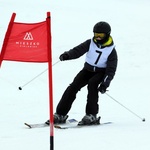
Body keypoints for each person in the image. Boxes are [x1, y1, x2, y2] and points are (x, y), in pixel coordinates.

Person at [46, 21, 118, 125]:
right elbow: (78, 51)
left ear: (107, 34)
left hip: (100, 72)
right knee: (73, 87)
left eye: (100, 35)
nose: (97, 37)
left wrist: (104, 84)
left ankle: (91, 115)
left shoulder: (111, 50)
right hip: (87, 70)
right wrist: (67, 55)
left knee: (92, 85)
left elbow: (111, 70)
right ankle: (60, 114)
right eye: (96, 34)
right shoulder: (90, 43)